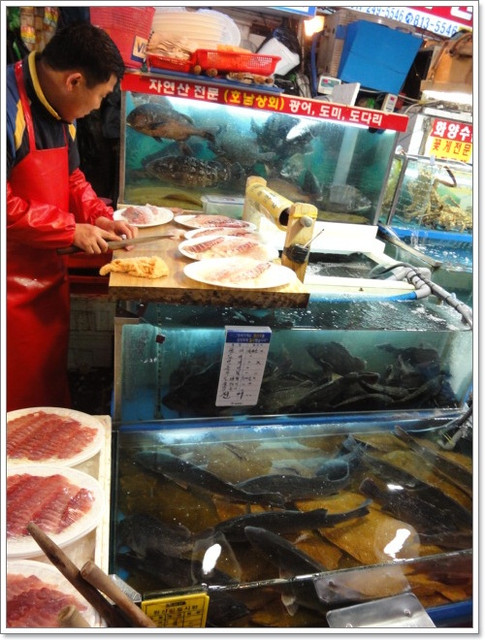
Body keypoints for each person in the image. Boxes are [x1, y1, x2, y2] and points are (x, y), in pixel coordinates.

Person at [6, 22, 138, 412]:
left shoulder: (61, 107)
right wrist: (69, 229)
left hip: (45, 277)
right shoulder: (7, 107)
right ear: (74, 81)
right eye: (100, 97)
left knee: (43, 389)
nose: (98, 107)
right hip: (7, 287)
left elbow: (71, 175)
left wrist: (98, 216)